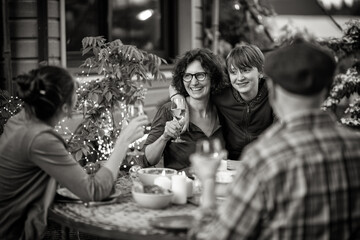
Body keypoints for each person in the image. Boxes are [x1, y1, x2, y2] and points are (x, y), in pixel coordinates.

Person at [189, 41, 360, 239]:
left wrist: (208, 182)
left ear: (272, 89)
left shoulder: (264, 158)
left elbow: (217, 237)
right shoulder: (356, 148)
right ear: (327, 90)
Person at [0, 66, 148, 239]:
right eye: (75, 90)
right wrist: (123, 142)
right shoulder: (40, 138)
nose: (78, 93)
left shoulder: (18, 120)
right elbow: (94, 192)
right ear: (64, 107)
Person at [170, 44, 275, 160]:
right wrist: (179, 102)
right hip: (230, 162)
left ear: (261, 71)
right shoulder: (222, 94)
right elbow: (175, 85)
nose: (240, 78)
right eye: (234, 72)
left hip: (265, 160)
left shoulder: (274, 93)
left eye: (246, 70)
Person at [144, 48, 226, 171]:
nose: (193, 82)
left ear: (212, 77)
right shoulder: (169, 111)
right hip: (182, 187)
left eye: (200, 75)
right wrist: (164, 137)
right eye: (187, 76)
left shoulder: (223, 110)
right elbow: (148, 160)